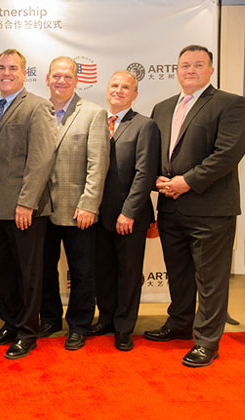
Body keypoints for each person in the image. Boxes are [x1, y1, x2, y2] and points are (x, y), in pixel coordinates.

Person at [145, 45, 245, 367]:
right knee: (178, 273)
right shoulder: (162, 107)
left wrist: (187, 181)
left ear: (211, 70)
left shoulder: (230, 104)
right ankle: (179, 323)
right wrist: (156, 179)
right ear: (176, 70)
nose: (190, 70)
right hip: (170, 206)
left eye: (198, 64)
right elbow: (155, 152)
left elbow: (227, 154)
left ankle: (207, 342)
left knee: (210, 279)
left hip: (210, 209)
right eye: (185, 65)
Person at [0, 49, 57, 359]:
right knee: (3, 272)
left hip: (24, 210)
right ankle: (10, 324)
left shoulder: (37, 107)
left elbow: (42, 159)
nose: (6, 73)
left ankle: (27, 332)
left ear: (25, 73)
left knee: (28, 275)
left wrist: (27, 202)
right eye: (1, 68)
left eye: (13, 68)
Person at [40, 56, 109, 351]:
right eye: (56, 76)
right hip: (41, 209)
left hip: (78, 209)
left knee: (82, 271)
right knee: (44, 269)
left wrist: (89, 204)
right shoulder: (38, 112)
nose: (61, 81)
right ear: (47, 79)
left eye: (68, 76)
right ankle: (50, 318)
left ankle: (79, 325)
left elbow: (98, 164)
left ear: (76, 80)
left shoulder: (93, 113)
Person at [91, 71, 160, 351]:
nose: (119, 90)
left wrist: (129, 212)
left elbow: (145, 173)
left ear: (135, 94)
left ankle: (123, 328)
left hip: (129, 216)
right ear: (107, 89)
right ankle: (106, 319)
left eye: (126, 87)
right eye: (114, 85)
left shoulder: (145, 126)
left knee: (128, 275)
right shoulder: (96, 121)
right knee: (104, 272)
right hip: (98, 216)